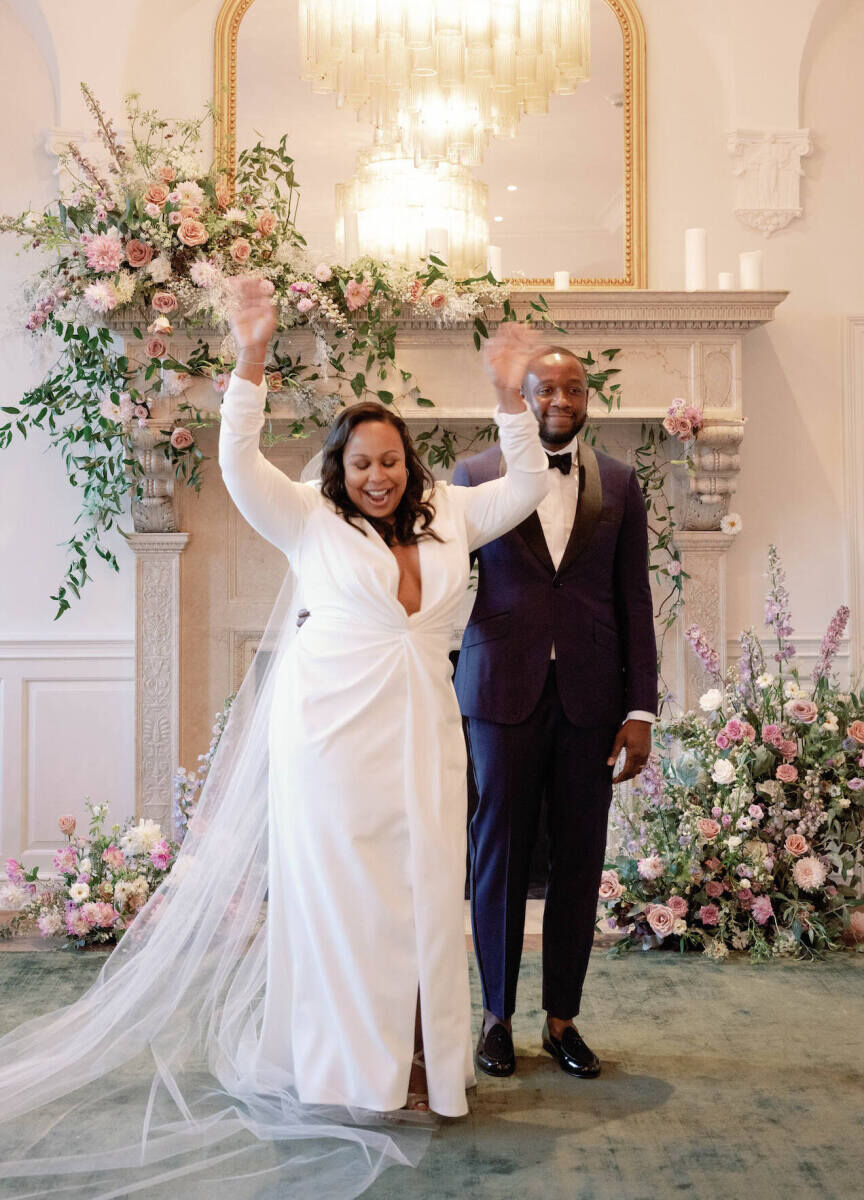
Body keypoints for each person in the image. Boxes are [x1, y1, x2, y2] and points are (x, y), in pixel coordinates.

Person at [0, 283, 551, 1199]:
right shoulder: (305, 514)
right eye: (365, 462)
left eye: (394, 462)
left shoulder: (453, 515)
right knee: (350, 903)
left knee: (422, 897)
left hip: (426, 734)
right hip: (332, 743)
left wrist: (508, 392)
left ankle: (424, 1062)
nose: (381, 476)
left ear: (412, 465)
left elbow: (528, 484)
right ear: (342, 466)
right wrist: (250, 355)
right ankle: (353, 1071)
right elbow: (237, 462)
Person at [453, 345, 657, 1081]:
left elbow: (633, 598)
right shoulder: (474, 476)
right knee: (497, 855)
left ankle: (562, 1018)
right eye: (546, 388)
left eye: (574, 388)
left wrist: (640, 708)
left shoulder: (622, 484)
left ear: (588, 397)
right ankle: (497, 1016)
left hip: (592, 700)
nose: (560, 401)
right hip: (499, 693)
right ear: (522, 393)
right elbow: (449, 587)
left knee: (579, 859)